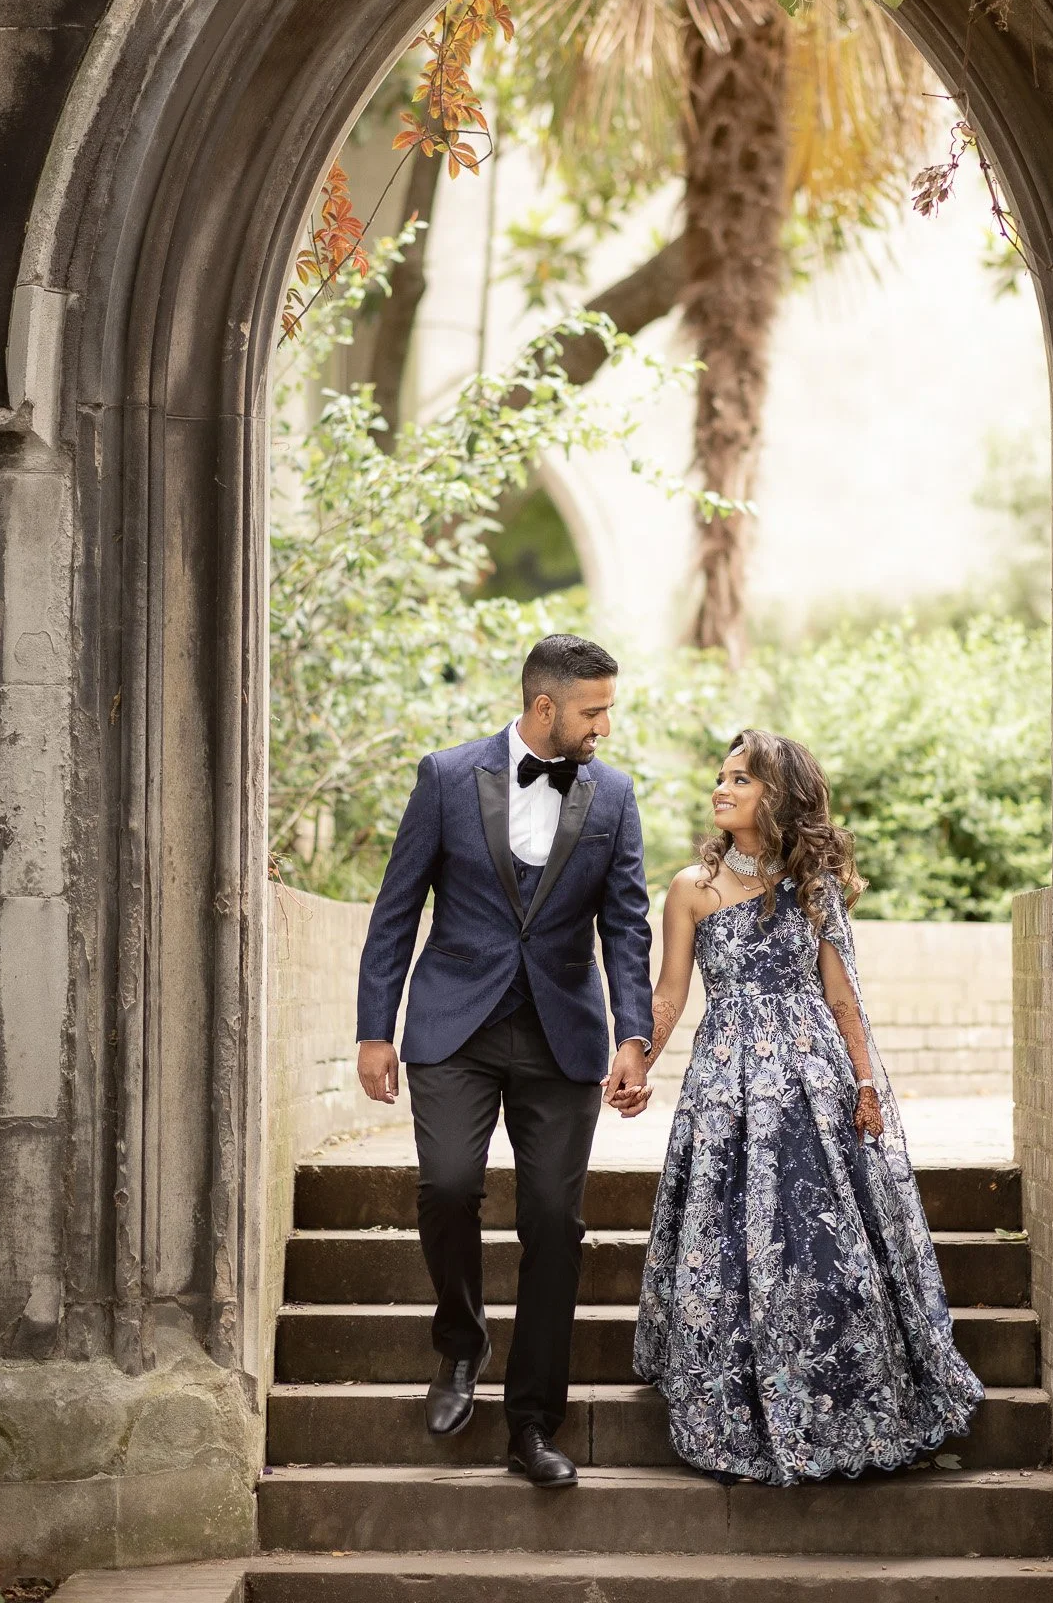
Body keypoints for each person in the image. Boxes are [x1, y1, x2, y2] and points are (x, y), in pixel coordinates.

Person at [632, 727, 984, 1483]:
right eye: (720, 777)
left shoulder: (814, 887)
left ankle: (839, 1399)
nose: (722, 789)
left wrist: (864, 1084)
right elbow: (670, 993)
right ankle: (734, 1401)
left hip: (811, 1084)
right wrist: (640, 1060)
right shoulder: (690, 890)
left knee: (822, 1244)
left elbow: (840, 994)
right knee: (727, 1243)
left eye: (741, 779)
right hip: (725, 1090)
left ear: (778, 797)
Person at [355, 633, 653, 1489]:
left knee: (554, 1228)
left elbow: (627, 925)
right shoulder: (447, 777)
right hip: (455, 1026)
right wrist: (378, 1028)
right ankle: (460, 1345)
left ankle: (533, 1423)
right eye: (593, 710)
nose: (605, 724)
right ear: (545, 706)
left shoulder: (615, 796)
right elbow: (396, 907)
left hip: (563, 1036)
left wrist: (633, 1037)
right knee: (448, 1186)